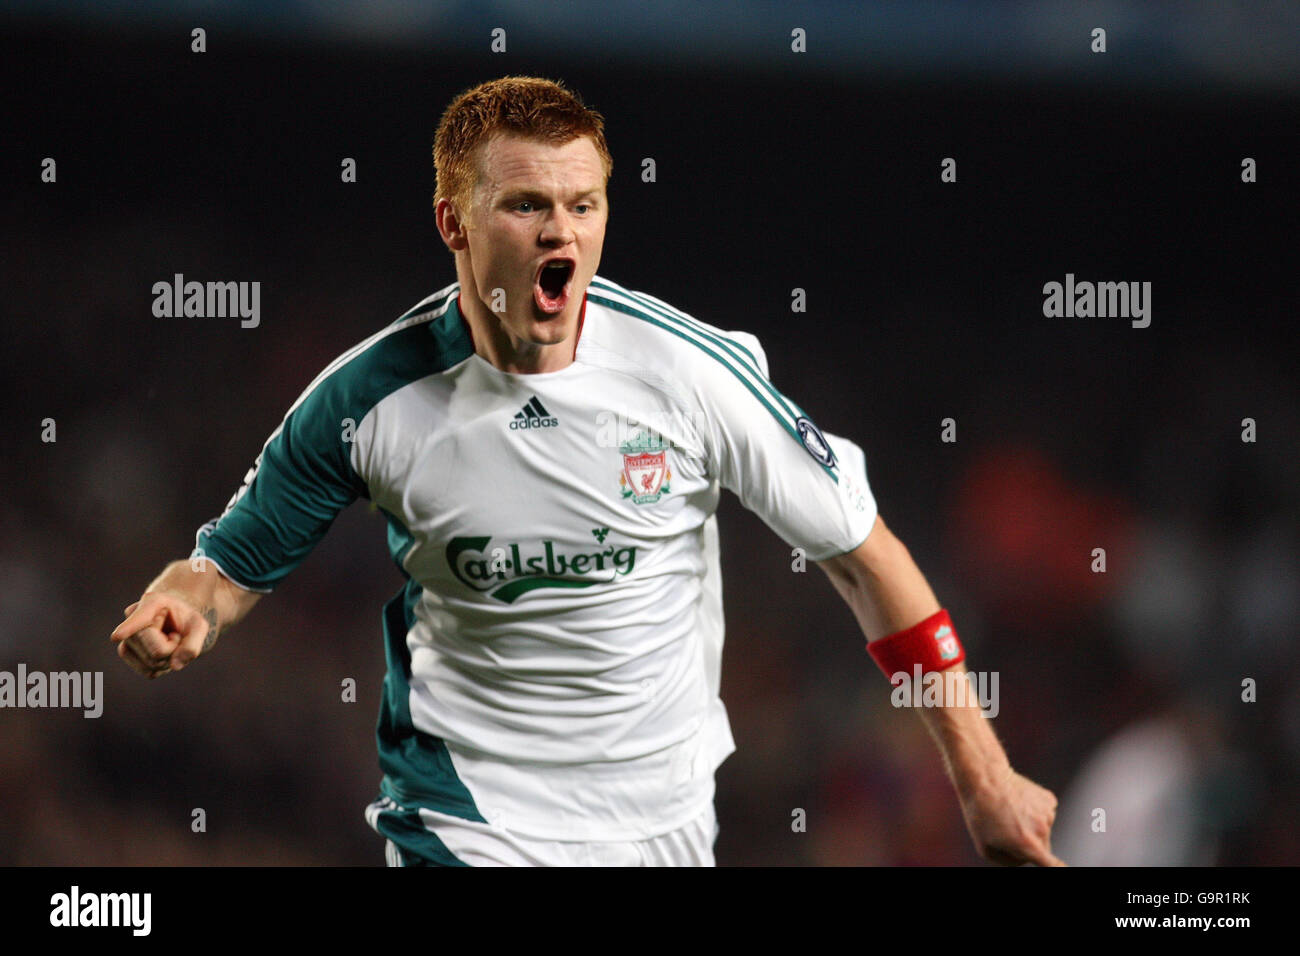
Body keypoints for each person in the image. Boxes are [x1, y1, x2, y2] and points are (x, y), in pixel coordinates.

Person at [111, 75, 1063, 867]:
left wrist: (983, 779)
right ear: (453, 219)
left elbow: (865, 559)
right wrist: (183, 606)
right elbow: (225, 567)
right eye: (525, 205)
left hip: (663, 822)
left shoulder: (687, 374)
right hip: (464, 817)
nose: (558, 232)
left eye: (582, 204)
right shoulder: (369, 401)